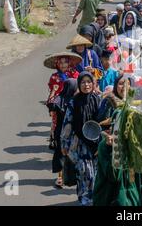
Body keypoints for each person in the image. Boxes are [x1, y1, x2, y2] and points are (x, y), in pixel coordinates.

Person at [93, 75, 142, 206]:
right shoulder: (104, 146)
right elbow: (114, 176)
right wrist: (113, 149)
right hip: (111, 200)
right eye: (120, 125)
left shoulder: (138, 146)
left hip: (133, 201)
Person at [61, 72, 101, 206]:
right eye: (83, 82)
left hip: (96, 144)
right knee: (84, 173)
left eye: (89, 82)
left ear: (93, 84)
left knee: (95, 174)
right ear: (79, 84)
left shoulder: (97, 99)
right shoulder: (74, 102)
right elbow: (67, 123)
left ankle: (94, 199)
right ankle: (84, 201)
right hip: (79, 144)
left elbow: (104, 120)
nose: (86, 85)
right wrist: (64, 144)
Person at [47, 78, 78, 188]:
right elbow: (50, 106)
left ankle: (68, 176)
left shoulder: (73, 99)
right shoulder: (67, 99)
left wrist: (53, 92)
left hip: (67, 131)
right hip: (64, 132)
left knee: (67, 153)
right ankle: (60, 177)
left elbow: (50, 104)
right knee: (63, 153)